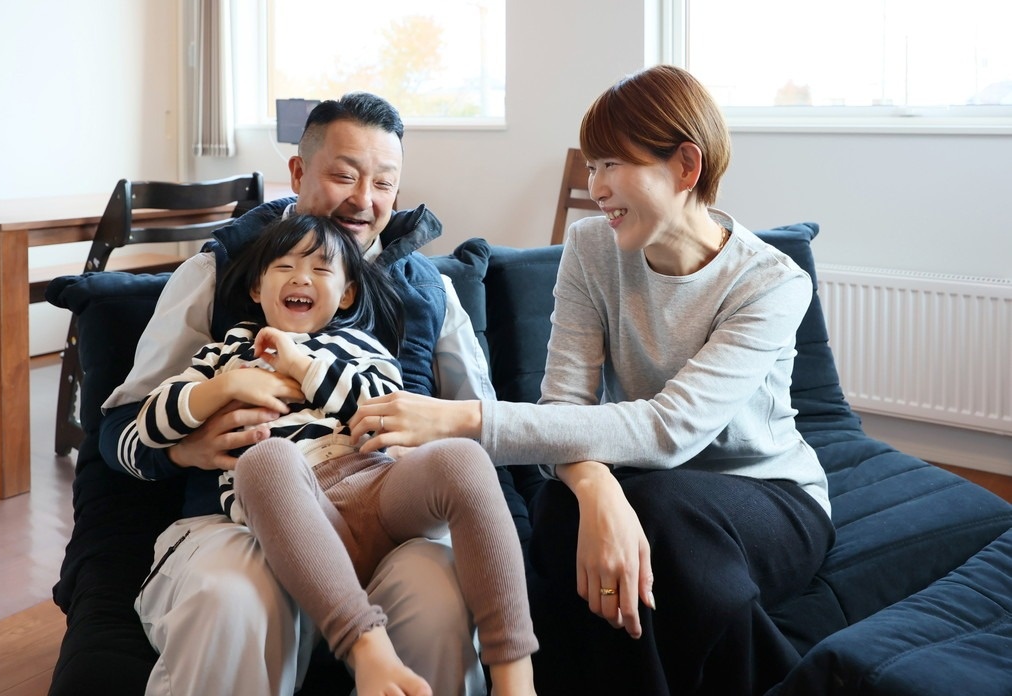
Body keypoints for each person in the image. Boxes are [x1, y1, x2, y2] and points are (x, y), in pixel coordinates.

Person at [348, 64, 836, 696]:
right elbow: (565, 403)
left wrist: (463, 418)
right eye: (592, 165)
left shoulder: (770, 283)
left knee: (655, 515)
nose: (595, 186)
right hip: (644, 482)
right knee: (559, 510)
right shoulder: (591, 248)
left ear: (686, 167)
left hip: (766, 494)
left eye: (613, 164)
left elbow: (670, 428)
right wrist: (598, 488)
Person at [100, 92, 498, 696]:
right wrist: (181, 450)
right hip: (238, 524)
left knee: (440, 599)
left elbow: (484, 430)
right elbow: (120, 427)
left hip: (390, 519)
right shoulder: (221, 271)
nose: (363, 200)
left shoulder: (432, 291)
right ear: (297, 172)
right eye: (344, 175)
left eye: (384, 183)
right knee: (232, 598)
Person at [134, 215, 538, 696]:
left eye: (322, 269)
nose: (302, 278)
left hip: (376, 488)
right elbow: (150, 423)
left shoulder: (360, 345)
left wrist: (301, 365)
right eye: (285, 266)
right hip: (294, 509)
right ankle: (368, 649)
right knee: (265, 460)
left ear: (346, 294)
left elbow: (382, 411)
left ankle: (515, 678)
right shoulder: (228, 351)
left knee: (462, 459)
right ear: (257, 288)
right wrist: (226, 386)